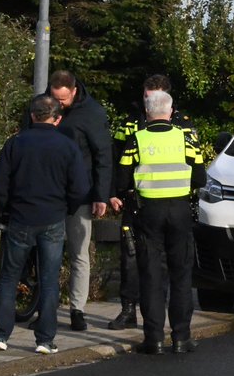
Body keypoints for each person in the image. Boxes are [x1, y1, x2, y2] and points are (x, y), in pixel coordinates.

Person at [0, 94, 90, 354]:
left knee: (9, 277)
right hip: (53, 218)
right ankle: (45, 339)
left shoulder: (16, 142)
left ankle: (1, 334)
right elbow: (80, 187)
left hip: (21, 217)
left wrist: (8, 206)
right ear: (57, 119)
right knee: (48, 279)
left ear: (32, 115)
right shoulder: (67, 146)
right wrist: (66, 207)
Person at [22, 70, 112, 331]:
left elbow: (103, 155)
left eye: (63, 100)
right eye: (54, 98)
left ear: (74, 91)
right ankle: (45, 309)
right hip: (46, 193)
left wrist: (101, 195)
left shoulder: (92, 113)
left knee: (79, 252)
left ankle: (77, 310)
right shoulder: (40, 106)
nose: (58, 105)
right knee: (47, 253)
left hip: (79, 195)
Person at [117, 90, 206, 355]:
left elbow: (121, 181)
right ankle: (181, 338)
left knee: (151, 275)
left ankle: (154, 339)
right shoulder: (186, 139)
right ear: (170, 112)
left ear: (147, 113)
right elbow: (200, 178)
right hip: (179, 211)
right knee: (181, 274)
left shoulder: (137, 140)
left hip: (148, 213)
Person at [107, 74, 195, 331]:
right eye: (146, 97)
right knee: (131, 257)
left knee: (169, 265)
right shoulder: (130, 123)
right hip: (136, 201)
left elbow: (194, 166)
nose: (148, 103)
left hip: (171, 203)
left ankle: (161, 319)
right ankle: (129, 309)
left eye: (153, 98)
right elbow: (115, 158)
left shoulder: (183, 126)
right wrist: (113, 192)